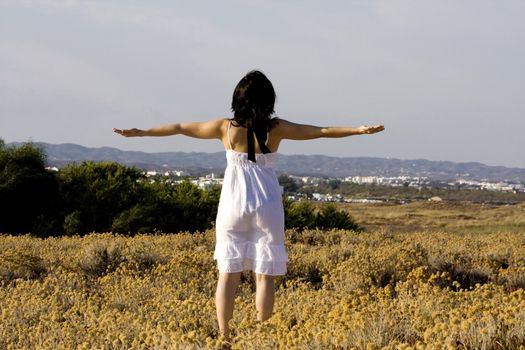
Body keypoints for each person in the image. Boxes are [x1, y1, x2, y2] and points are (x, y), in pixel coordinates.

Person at [113, 70, 384, 341]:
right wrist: (358, 130)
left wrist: (141, 133)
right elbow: (321, 132)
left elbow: (181, 127)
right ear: (269, 99)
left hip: (233, 206)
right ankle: (261, 335)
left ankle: (224, 335)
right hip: (266, 206)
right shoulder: (275, 128)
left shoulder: (224, 128)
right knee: (264, 275)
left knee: (227, 275)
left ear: (238, 98)